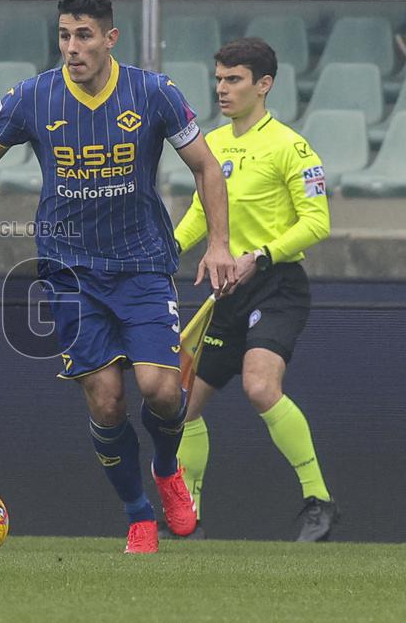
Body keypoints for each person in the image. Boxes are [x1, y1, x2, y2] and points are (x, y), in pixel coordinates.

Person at [0, 0, 236, 554]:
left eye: (84, 35)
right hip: (69, 271)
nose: (72, 47)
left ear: (111, 38)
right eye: (64, 35)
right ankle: (139, 516)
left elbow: (207, 168)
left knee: (161, 391)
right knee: (107, 400)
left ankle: (167, 470)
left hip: (141, 263)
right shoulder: (31, 97)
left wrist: (219, 244)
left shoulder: (154, 92)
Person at [171, 37, 337, 542]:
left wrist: (259, 254)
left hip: (276, 285)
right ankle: (187, 519)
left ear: (264, 85)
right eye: (218, 78)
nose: (222, 89)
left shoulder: (292, 147)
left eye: (233, 79)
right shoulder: (212, 145)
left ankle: (318, 502)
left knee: (260, 386)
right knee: (183, 405)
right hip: (227, 292)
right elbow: (201, 217)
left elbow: (318, 223)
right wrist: (160, 255)